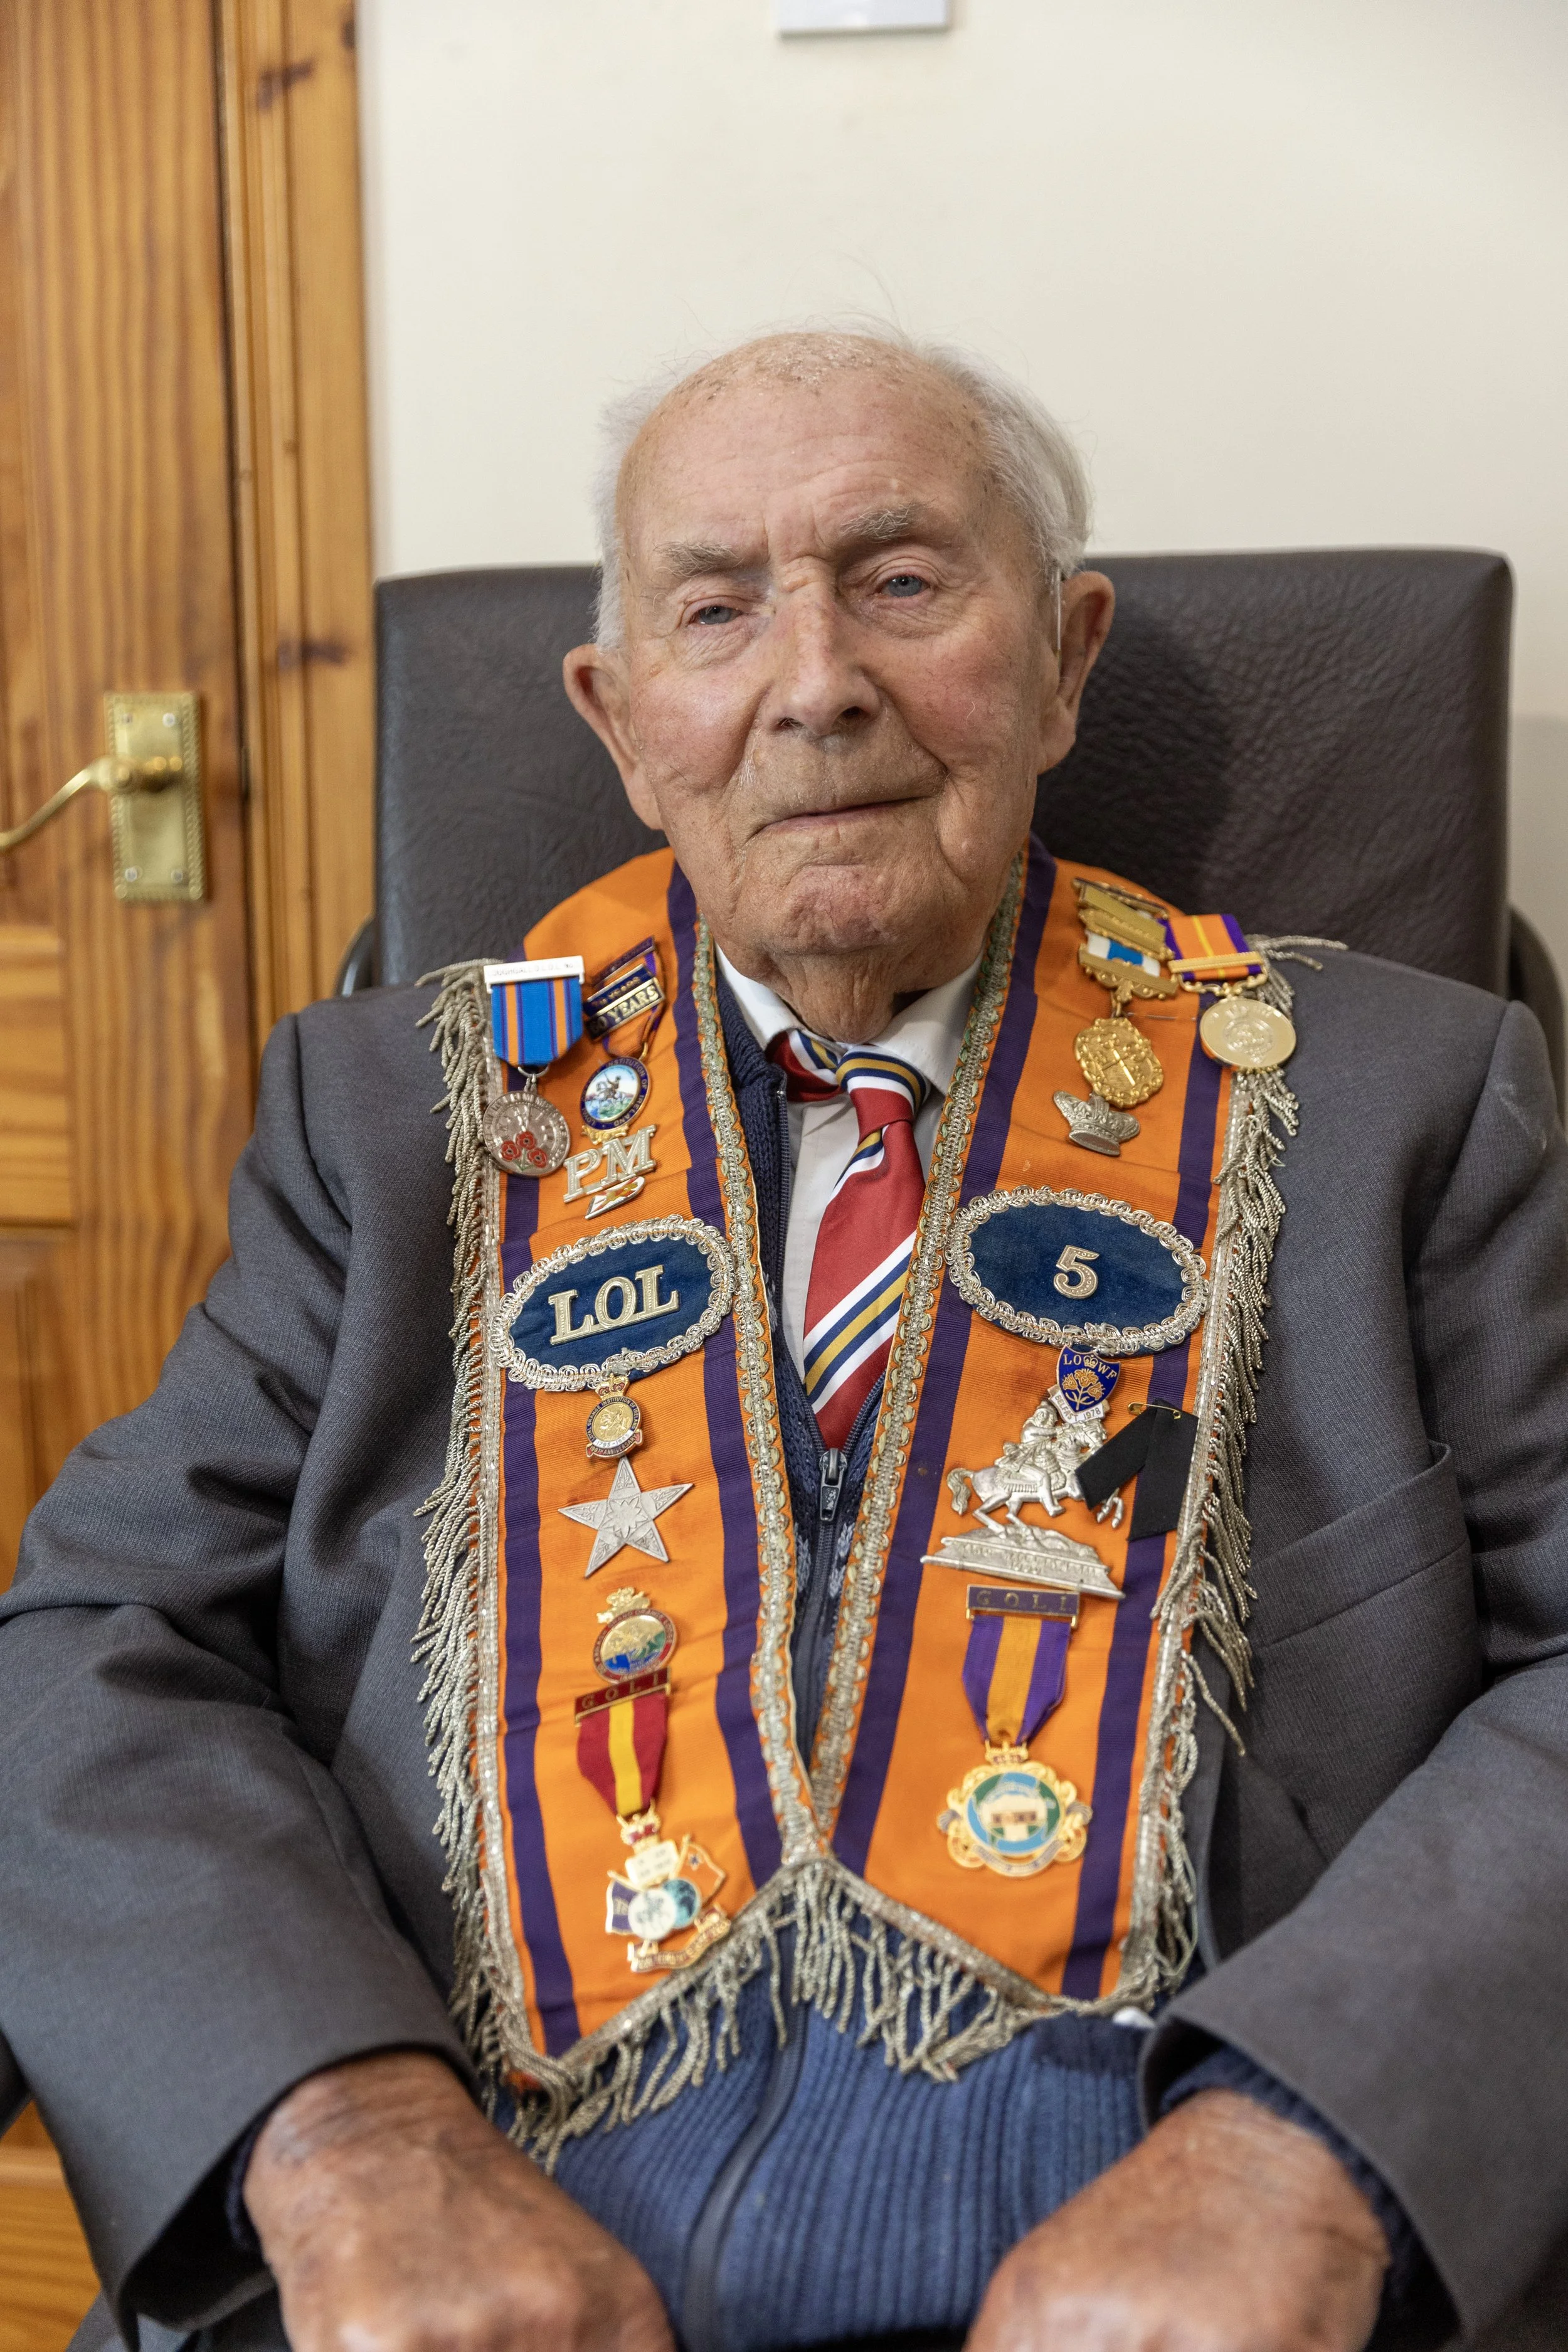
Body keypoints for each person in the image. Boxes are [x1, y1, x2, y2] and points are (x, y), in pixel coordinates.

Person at [2, 326, 1565, 2352]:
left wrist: (1307, 2145)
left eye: (903, 581)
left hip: (1175, 2227)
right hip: (463, 2209)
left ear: (1067, 655)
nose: (814, 682)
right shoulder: (398, 1123)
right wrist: (342, 2134)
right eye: (716, 607)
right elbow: (86, 1646)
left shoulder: (1393, 1101)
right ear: (625, 720)